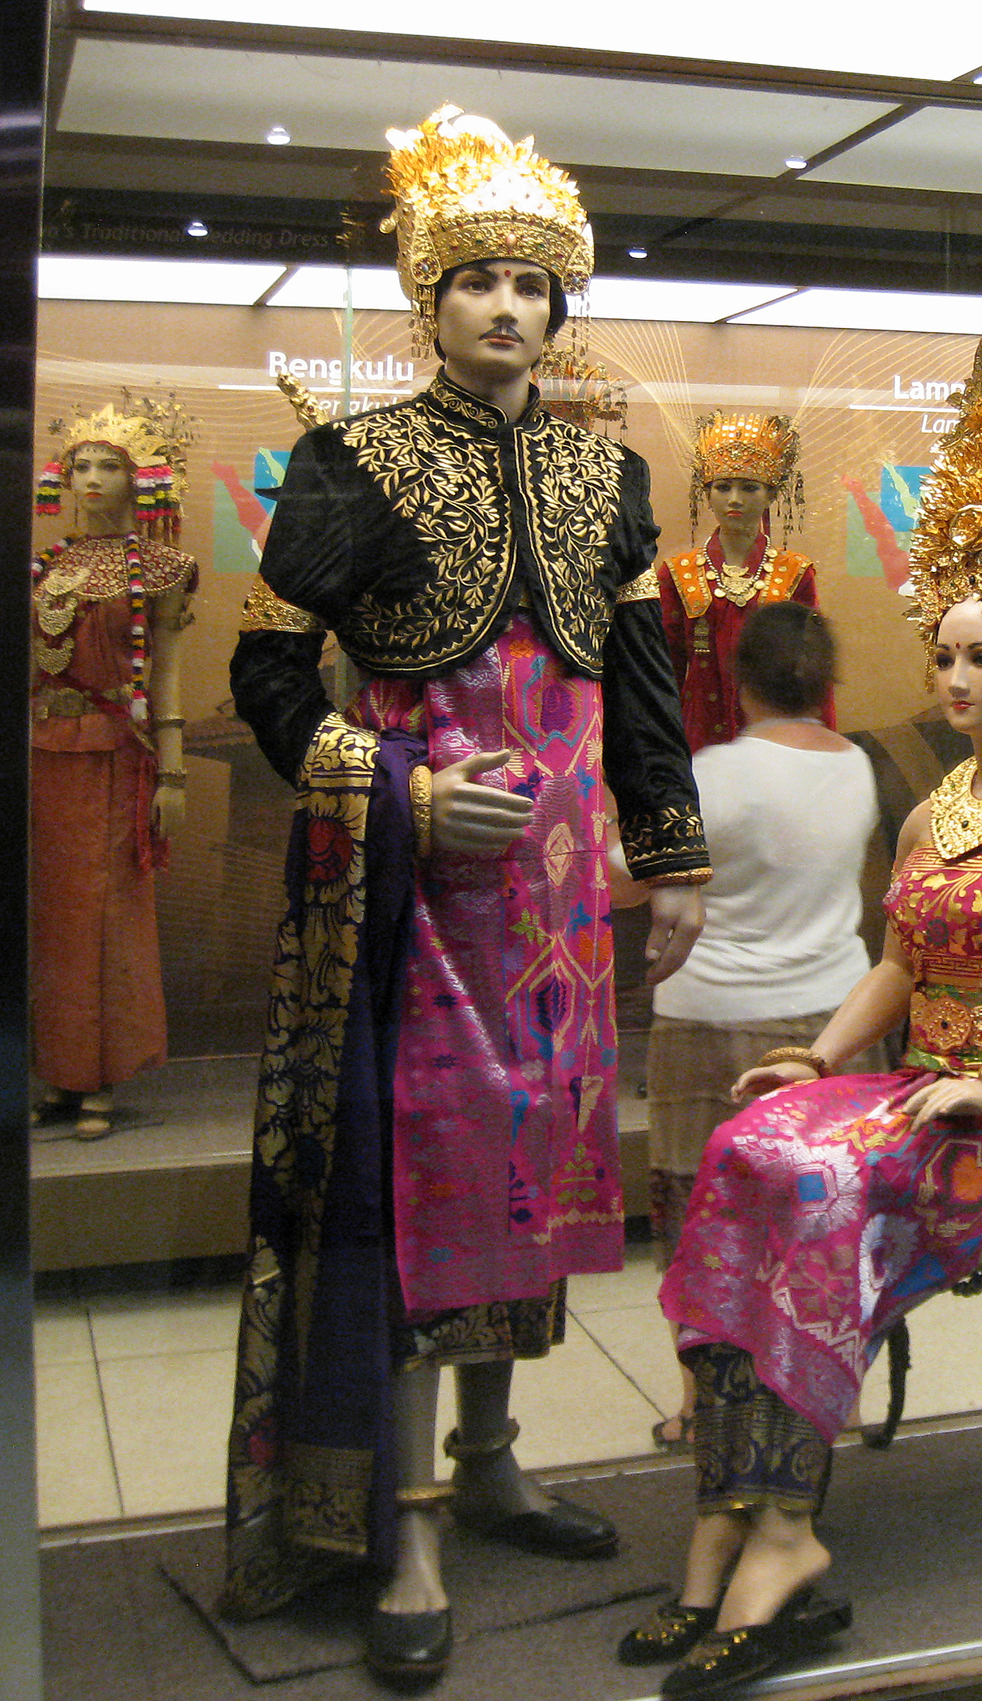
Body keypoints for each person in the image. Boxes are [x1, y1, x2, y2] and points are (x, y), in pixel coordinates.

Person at [619, 339, 982, 1700]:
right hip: (917, 1088)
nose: (952, 678)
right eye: (942, 654)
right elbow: (895, 957)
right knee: (746, 1149)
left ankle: (791, 1537)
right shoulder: (934, 808)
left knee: (820, 1185)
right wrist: (819, 1050)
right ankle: (730, 1506)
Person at [219, 106, 708, 1682]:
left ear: (566, 308)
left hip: (563, 906)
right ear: (427, 299)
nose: (508, 308)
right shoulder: (355, 461)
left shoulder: (602, 473)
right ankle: (408, 1511)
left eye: (534, 285)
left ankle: (494, 1457)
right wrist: (405, 790)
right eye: (477, 281)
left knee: (545, 1175)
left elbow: (640, 675)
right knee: (426, 1174)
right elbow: (268, 667)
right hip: (419, 889)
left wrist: (674, 849)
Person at [645, 602, 880, 1448]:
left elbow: (628, 872)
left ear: (738, 681)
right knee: (826, 1215)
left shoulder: (709, 773)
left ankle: (700, 1397)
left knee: (700, 1214)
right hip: (835, 1018)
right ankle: (830, 1393)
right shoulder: (857, 767)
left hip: (711, 1015)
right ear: (826, 683)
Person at [30, 394, 199, 1138]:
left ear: (143, 481)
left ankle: (101, 1074)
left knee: (104, 916)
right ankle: (59, 1072)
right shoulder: (43, 566)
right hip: (41, 759)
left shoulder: (162, 567)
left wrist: (173, 772)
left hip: (111, 764)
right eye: (80, 464)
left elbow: (163, 675)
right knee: (48, 920)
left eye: (110, 465)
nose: (92, 476)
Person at [657, 411, 824, 750]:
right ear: (707, 493)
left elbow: (814, 674)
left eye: (749, 488)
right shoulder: (678, 573)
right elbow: (665, 672)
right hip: (696, 739)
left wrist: (821, 746)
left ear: (772, 495)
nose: (734, 499)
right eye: (723, 487)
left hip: (777, 743)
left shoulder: (795, 573)